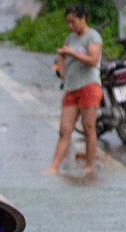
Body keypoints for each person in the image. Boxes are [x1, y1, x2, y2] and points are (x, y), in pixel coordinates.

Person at [43, 4, 102, 175]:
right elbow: (62, 74)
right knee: (64, 130)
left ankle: (89, 167)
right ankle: (54, 166)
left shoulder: (92, 37)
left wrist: (72, 53)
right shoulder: (70, 39)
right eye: (68, 23)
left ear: (83, 19)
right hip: (71, 88)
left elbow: (93, 60)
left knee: (89, 127)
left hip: (88, 87)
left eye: (73, 22)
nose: (70, 26)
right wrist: (61, 57)